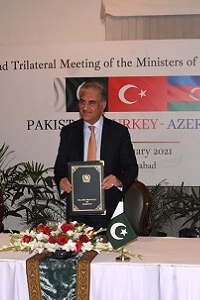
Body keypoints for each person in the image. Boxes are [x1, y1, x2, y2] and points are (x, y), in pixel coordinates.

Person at [54, 81, 138, 230]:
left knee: (109, 246)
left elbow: (131, 168)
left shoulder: (118, 132)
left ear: (102, 105)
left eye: (91, 103)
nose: (85, 107)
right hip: (78, 210)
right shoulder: (69, 132)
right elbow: (59, 167)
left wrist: (118, 181)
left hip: (110, 208)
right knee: (79, 246)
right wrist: (62, 180)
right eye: (82, 102)